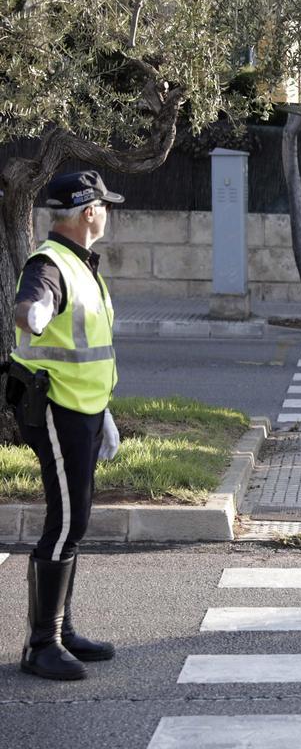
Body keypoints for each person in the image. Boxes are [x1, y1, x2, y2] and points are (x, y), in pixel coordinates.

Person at [6, 170, 124, 680]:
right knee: (67, 523)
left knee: (73, 520)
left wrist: (105, 412)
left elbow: (87, 350)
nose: (107, 213)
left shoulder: (82, 264)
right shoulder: (50, 263)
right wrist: (32, 313)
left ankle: (62, 630)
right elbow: (33, 304)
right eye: (104, 205)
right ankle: (41, 645)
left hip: (84, 409)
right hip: (56, 408)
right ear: (89, 212)